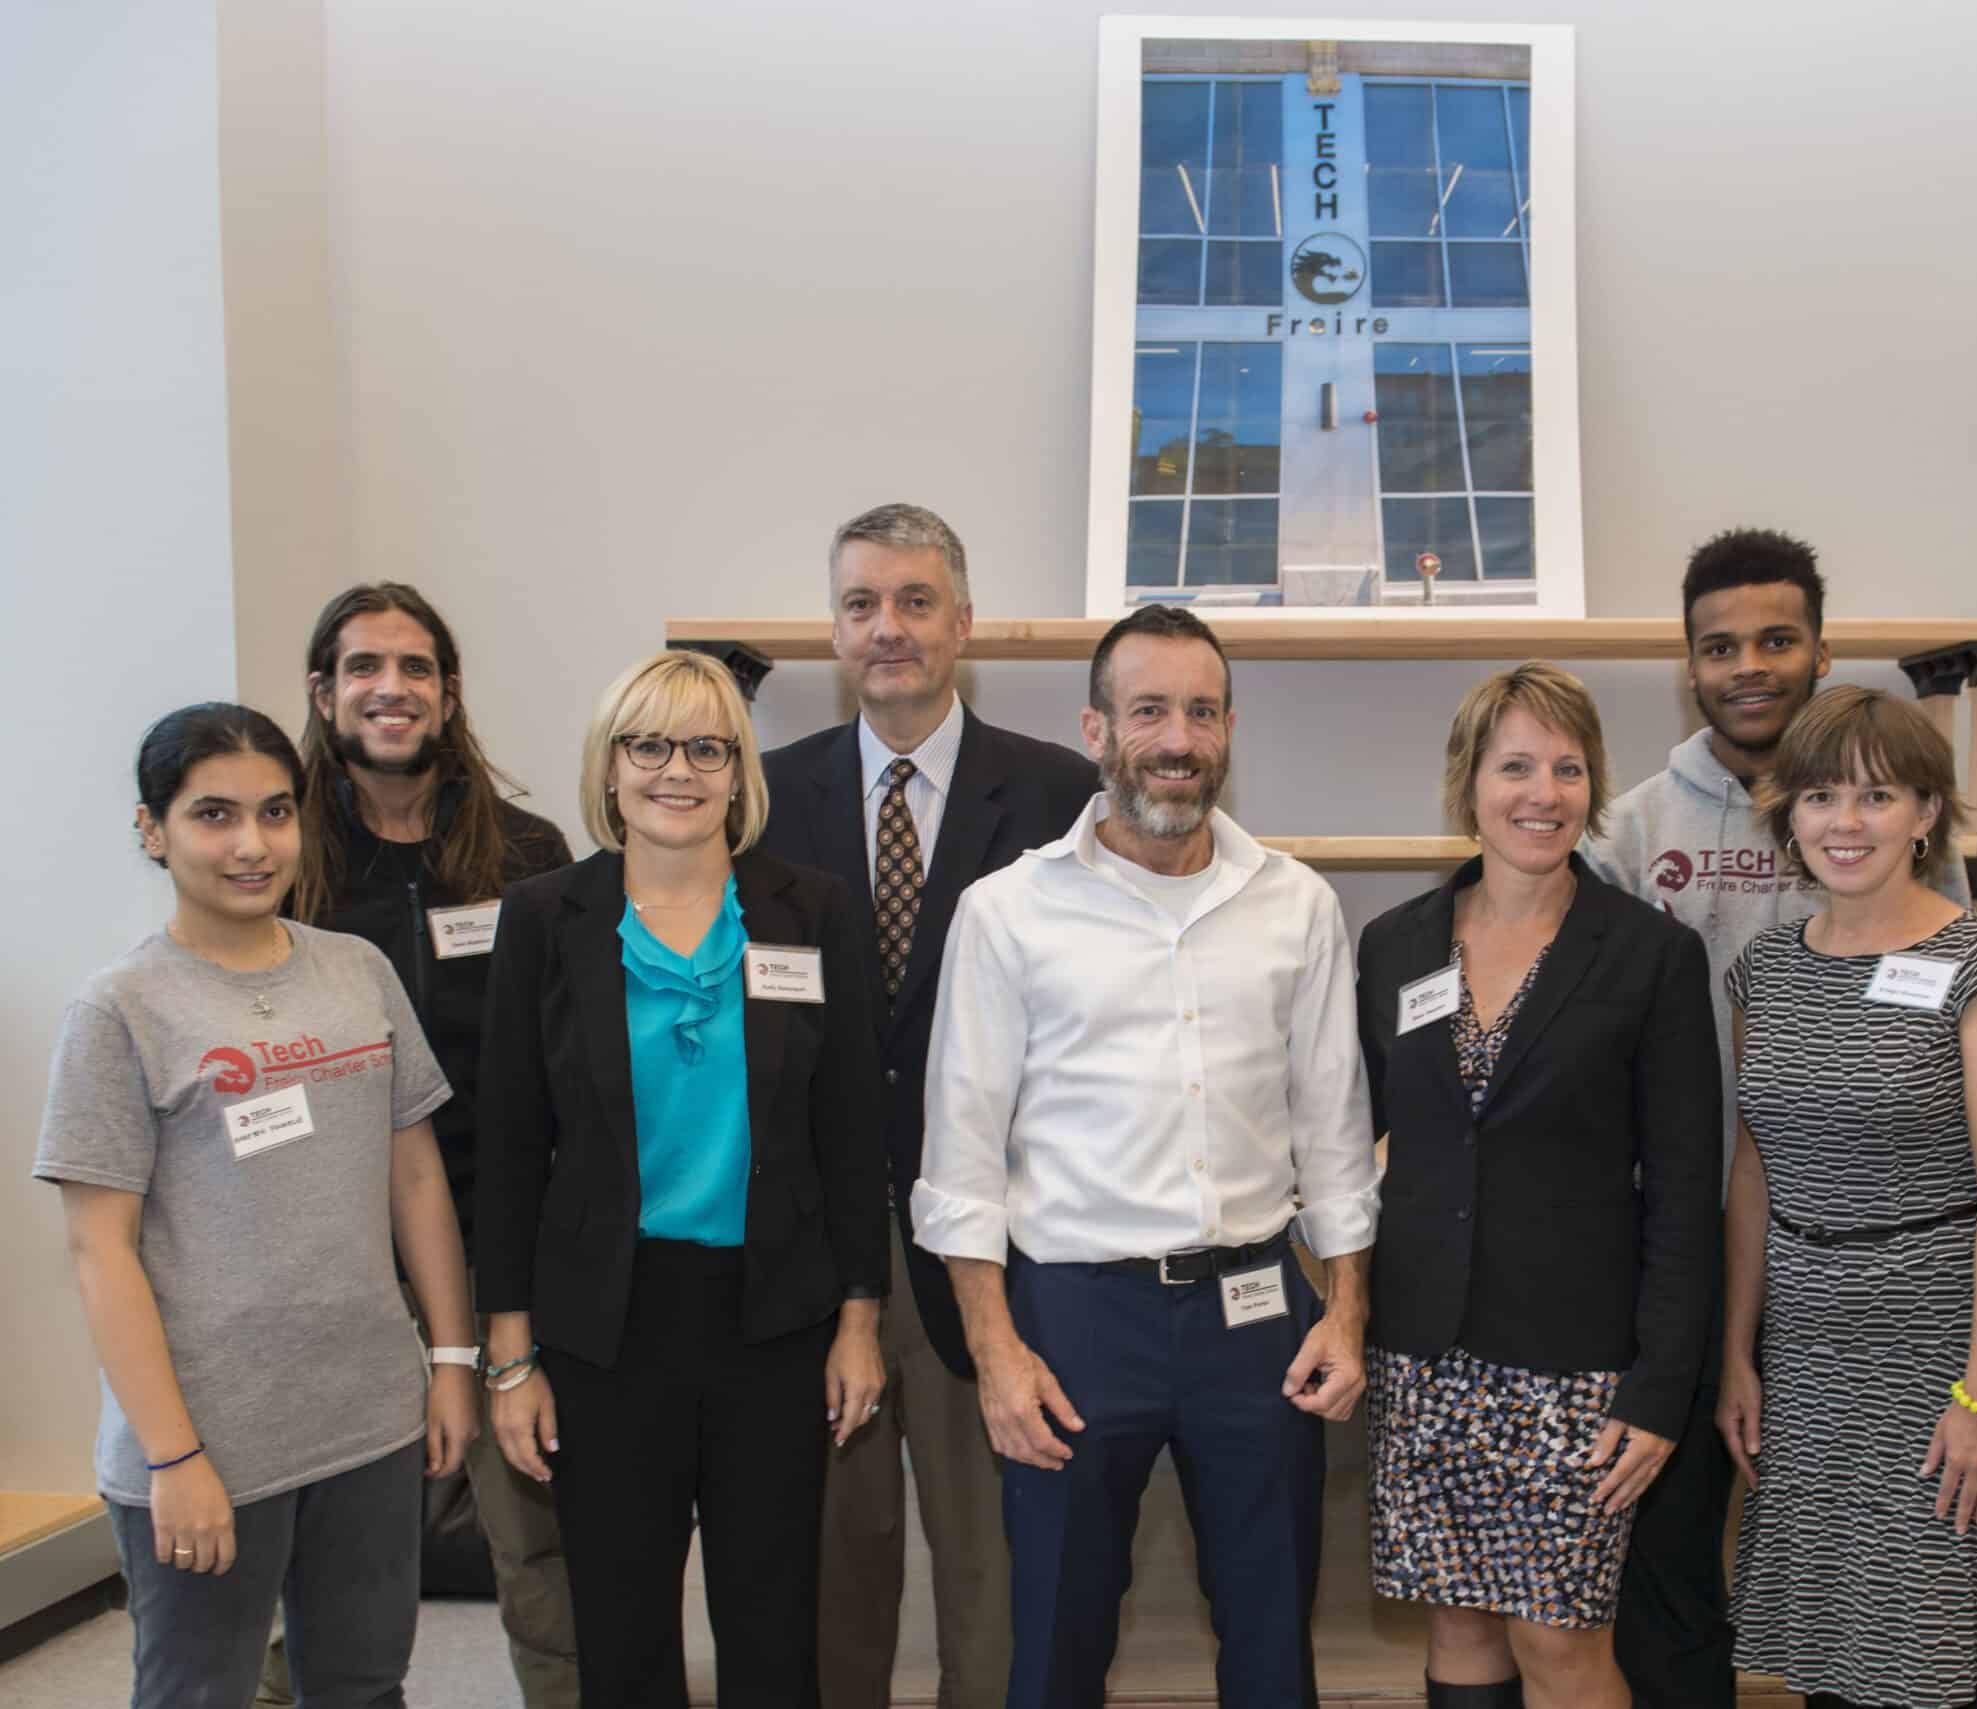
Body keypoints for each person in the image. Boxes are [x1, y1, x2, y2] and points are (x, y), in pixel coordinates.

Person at [913, 604, 1378, 1709]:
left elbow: (1336, 1132)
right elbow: (961, 1156)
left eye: (1203, 711)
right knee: (1058, 1646)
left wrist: (1347, 1311)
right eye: (1150, 709)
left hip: (1258, 1316)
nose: (1178, 737)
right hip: (1073, 1320)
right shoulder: (1007, 911)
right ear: (1095, 727)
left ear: (1229, 729)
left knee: (1273, 1643)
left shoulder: (1296, 904)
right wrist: (997, 1352)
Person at [1582, 528, 1969, 1709]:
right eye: (1719, 645)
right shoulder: (1635, 827)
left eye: (1775, 638)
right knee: (1672, 1554)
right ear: (1686, 665)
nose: (1748, 664)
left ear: (1817, 648)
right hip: (1680, 1241)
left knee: (1869, 1558)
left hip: (1856, 1255)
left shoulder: (1880, 822)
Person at [34, 702, 478, 1707]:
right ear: (155, 830)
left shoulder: (356, 971)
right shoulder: (119, 1009)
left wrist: (448, 1362)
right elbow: (100, 1249)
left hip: (369, 1418)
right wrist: (174, 1455)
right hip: (207, 1436)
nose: (251, 844)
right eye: (214, 815)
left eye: (275, 812)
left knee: (365, 1683)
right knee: (201, 1690)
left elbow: (415, 1176)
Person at [475, 649, 890, 1707]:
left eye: (707, 746)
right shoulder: (543, 918)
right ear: (609, 767)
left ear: (739, 770)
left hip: (776, 1316)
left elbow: (850, 1130)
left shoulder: (814, 911)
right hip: (606, 1324)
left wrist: (857, 1315)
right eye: (649, 743)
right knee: (621, 1629)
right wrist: (511, 1353)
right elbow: (512, 1143)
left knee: (771, 1623)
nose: (678, 769)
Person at [762, 503, 1093, 1709]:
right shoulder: (759, 797)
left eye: (912, 601)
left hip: (995, 1240)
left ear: (962, 620)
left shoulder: (1062, 794)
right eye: (861, 605)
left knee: (991, 1554)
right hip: (814, 1243)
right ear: (832, 631)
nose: (887, 628)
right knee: (833, 1558)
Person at [1716, 685, 1977, 1709]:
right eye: (1821, 795)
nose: (1845, 822)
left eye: (1877, 795)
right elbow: (1753, 1164)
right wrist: (1737, 1351)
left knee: (1945, 1662)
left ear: (1927, 812)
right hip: (1809, 1356)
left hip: (1939, 1355)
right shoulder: (1766, 970)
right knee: (1836, 1660)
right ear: (1786, 813)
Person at [1355, 663, 1717, 1709]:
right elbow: (1356, 1143)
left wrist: (1659, 1391)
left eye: (1567, 767)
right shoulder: (1395, 945)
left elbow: (1685, 1190)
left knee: (1560, 1642)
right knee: (1459, 1625)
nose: (1542, 792)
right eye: (1515, 764)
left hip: (1577, 1370)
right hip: (1424, 1353)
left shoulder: (1649, 954)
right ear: (1466, 781)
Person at [278, 581, 578, 1706]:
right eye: (363, 667)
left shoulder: (528, 851)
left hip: (503, 1227)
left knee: (535, 1518)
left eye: (413, 668)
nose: (388, 689)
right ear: (324, 692)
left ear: (448, 696)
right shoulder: (282, 856)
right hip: (333, 1238)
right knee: (322, 1526)